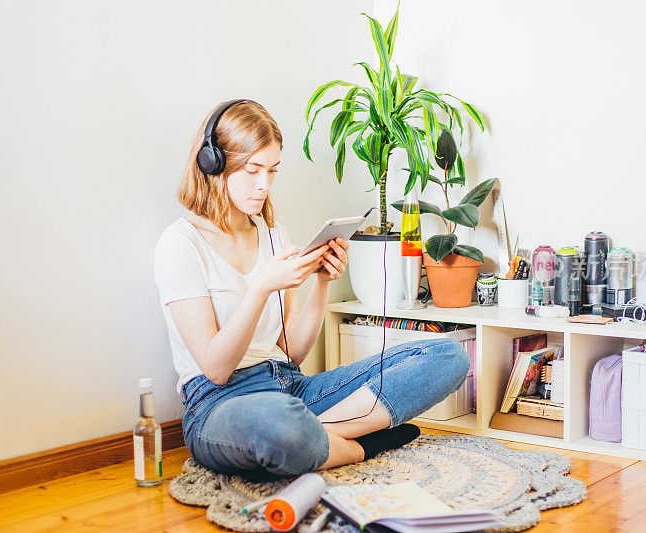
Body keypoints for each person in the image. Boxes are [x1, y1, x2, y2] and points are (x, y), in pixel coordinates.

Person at [153, 99, 470, 477]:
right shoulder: (180, 244)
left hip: (290, 388)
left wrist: (322, 283)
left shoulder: (273, 237)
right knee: (278, 423)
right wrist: (260, 289)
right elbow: (217, 369)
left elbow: (295, 353)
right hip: (219, 404)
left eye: (272, 171)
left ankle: (313, 440)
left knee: (450, 357)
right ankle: (354, 447)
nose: (264, 185)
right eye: (253, 170)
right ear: (213, 164)